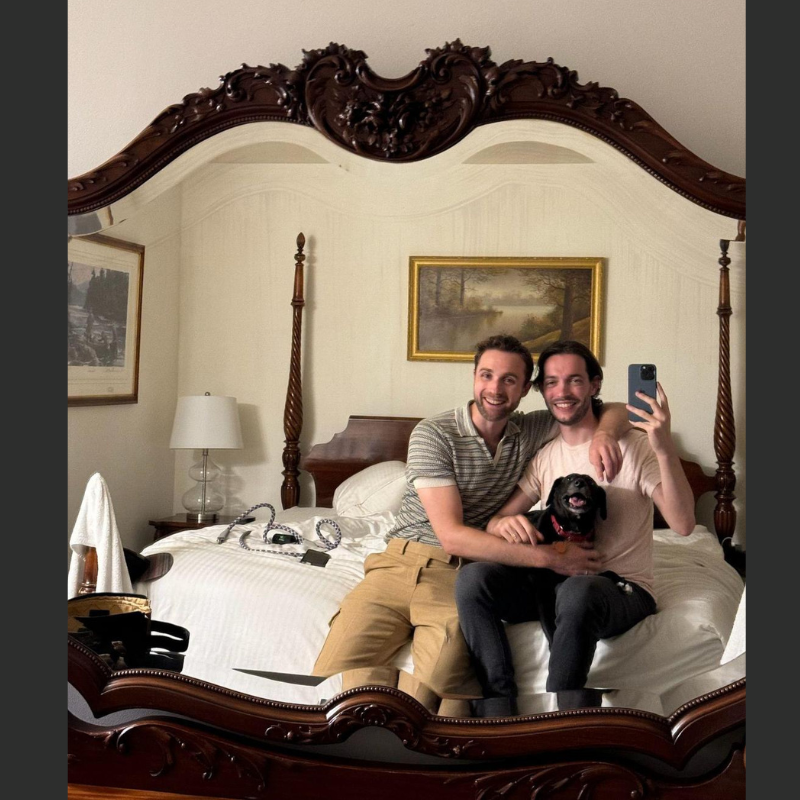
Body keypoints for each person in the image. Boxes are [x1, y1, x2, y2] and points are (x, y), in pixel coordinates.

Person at [312, 334, 630, 714]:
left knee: (441, 678)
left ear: (525, 388)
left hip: (459, 572)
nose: (495, 389)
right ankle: (359, 732)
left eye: (509, 379)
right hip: (397, 563)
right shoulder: (434, 434)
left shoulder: (530, 431)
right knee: (341, 667)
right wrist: (552, 557)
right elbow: (451, 535)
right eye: (486, 375)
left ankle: (414, 736)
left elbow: (613, 408)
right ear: (474, 377)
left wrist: (605, 434)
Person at [454, 340, 695, 715]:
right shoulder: (546, 455)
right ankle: (498, 705)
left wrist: (663, 447)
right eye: (552, 382)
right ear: (541, 390)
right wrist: (505, 523)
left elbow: (683, 524)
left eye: (574, 380)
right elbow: (497, 521)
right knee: (472, 579)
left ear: (595, 385)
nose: (562, 392)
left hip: (620, 589)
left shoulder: (635, 446)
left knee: (578, 590)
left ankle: (564, 716)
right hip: (553, 586)